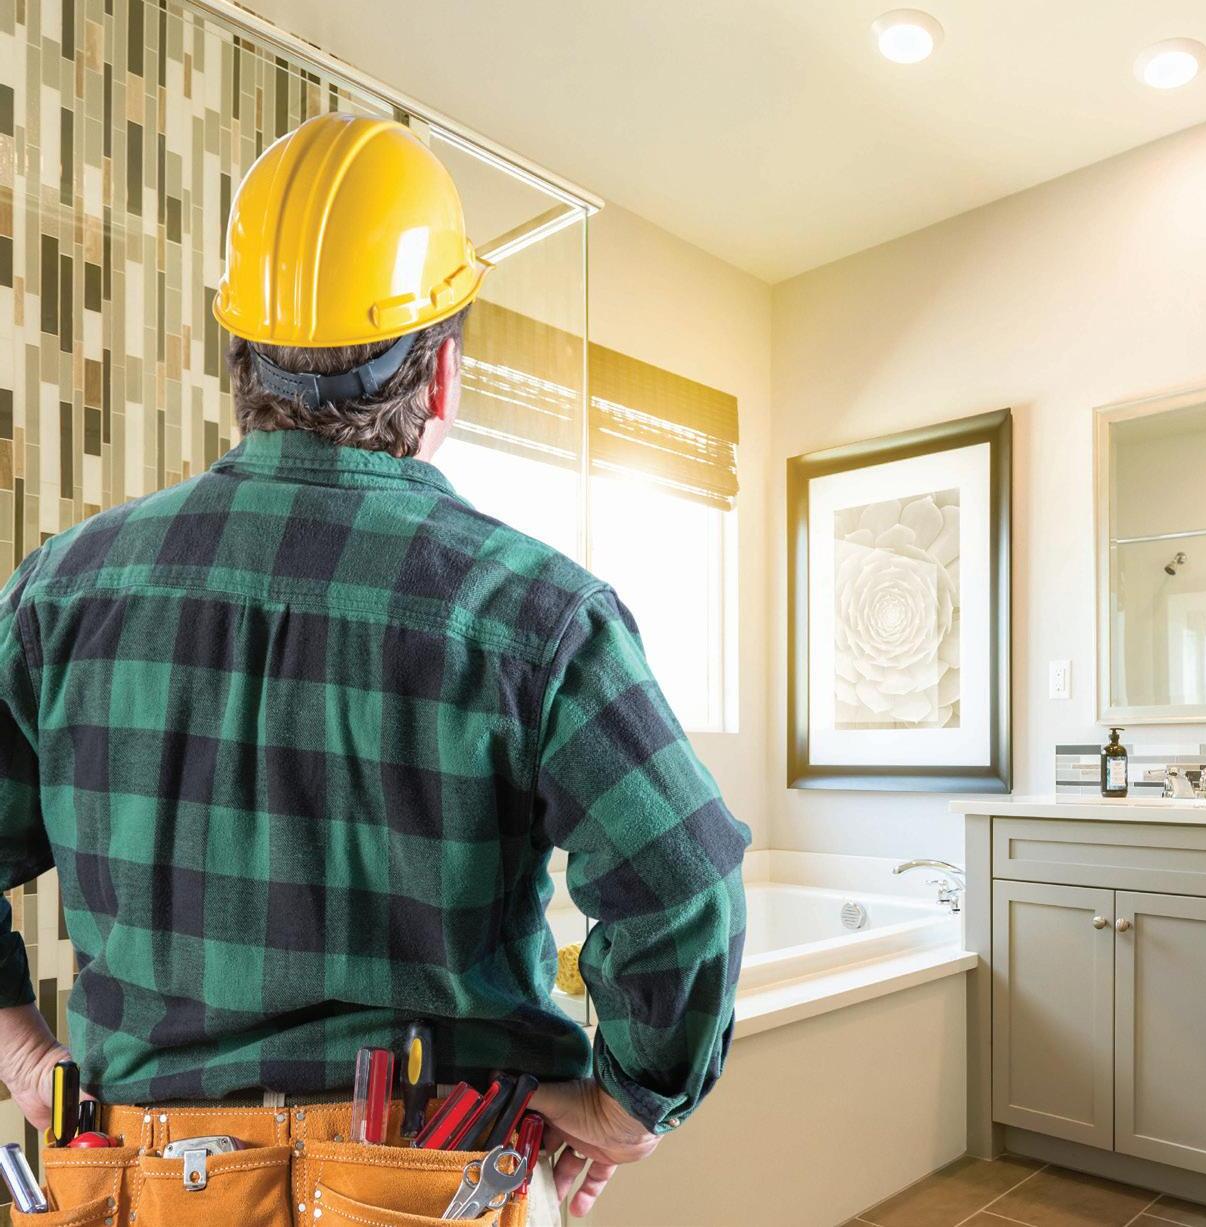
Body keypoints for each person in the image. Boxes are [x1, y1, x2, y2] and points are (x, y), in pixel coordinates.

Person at [0, 113, 747, 1222]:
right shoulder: (538, 614)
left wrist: (21, 1052)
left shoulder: (62, 594)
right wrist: (627, 1101)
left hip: (138, 1179)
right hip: (439, 1175)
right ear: (441, 373)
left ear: (239, 362)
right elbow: (683, 889)